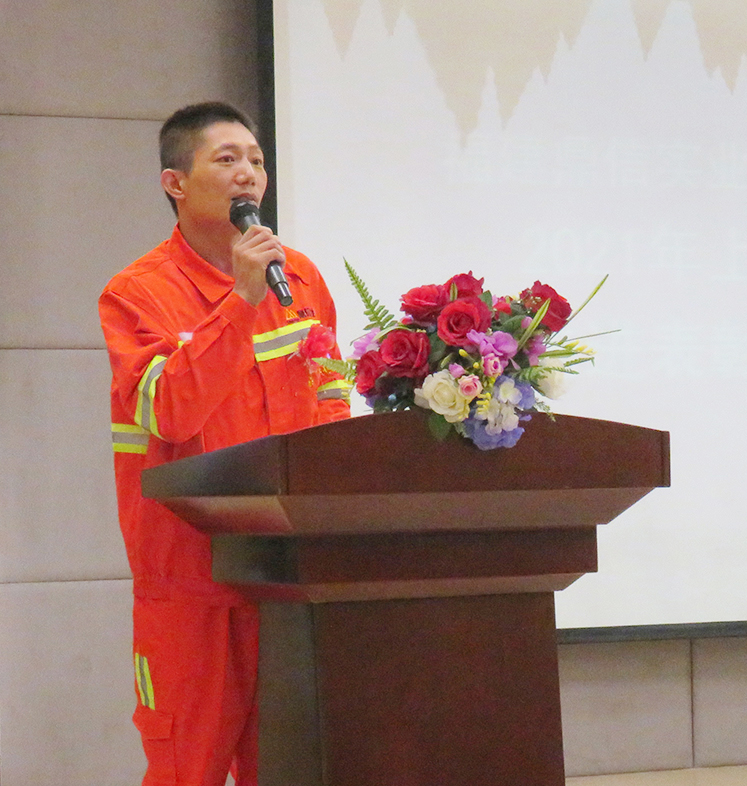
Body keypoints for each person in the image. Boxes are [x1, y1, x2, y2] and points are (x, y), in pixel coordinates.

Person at [99, 102, 350, 786]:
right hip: (193, 580)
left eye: (257, 161)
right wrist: (239, 300)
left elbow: (331, 403)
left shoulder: (299, 278)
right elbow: (170, 414)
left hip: (287, 568)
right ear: (175, 183)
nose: (249, 175)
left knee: (293, 767)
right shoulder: (136, 293)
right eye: (227, 159)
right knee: (188, 769)